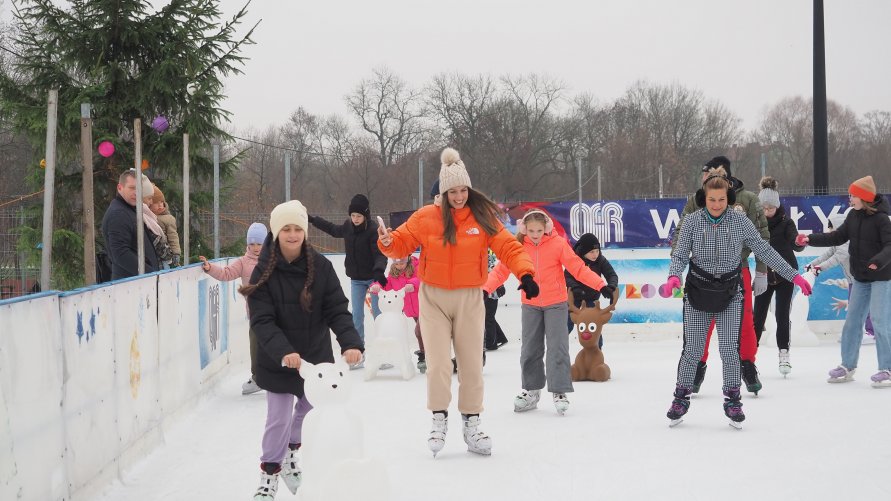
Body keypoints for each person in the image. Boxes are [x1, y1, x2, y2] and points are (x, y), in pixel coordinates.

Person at [377, 147, 537, 457]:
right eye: (454, 191)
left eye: (464, 190)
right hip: (434, 298)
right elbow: (400, 242)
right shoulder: (426, 218)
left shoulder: (482, 217)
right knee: (437, 364)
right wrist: (386, 241)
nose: (460, 196)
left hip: (468, 298)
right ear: (444, 191)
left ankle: (472, 424)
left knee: (471, 365)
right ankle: (439, 419)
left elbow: (509, 247)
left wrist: (525, 274)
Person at [663, 173, 811, 427]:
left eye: (722, 199)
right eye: (712, 199)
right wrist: (674, 278)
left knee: (730, 350)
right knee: (693, 350)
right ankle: (681, 396)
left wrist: (794, 276)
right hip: (698, 291)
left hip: (731, 292)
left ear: (728, 199)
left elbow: (764, 250)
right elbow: (679, 255)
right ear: (704, 198)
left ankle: (732, 400)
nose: (717, 204)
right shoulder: (691, 222)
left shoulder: (739, 221)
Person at [240, 200, 363, 500]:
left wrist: (350, 342)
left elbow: (337, 308)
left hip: (315, 358)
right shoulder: (263, 271)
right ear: (276, 232)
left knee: (308, 412)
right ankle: (269, 473)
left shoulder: (320, 266)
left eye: (298, 229)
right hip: (278, 359)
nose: (293, 235)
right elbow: (262, 319)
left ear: (305, 232)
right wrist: (283, 351)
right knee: (279, 417)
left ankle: (291, 452)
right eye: (286, 229)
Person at [485, 210, 608, 415]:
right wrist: (485, 289)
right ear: (524, 228)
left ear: (546, 228)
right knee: (530, 349)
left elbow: (578, 268)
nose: (535, 234)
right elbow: (500, 271)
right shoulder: (517, 246)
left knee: (557, 347)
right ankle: (531, 390)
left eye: (539, 230)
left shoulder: (557, 244)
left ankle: (559, 391)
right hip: (531, 304)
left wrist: (600, 285)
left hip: (556, 303)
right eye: (531, 230)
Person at [673, 156, 769, 395]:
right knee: (700, 325)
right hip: (703, 275)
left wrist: (762, 271)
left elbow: (762, 237)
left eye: (712, 173)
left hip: (738, 270)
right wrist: (675, 271)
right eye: (705, 174)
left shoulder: (747, 199)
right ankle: (696, 366)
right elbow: (681, 235)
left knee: (744, 322)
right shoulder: (696, 201)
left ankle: (747, 365)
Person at [796, 176, 891, 387]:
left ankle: (887, 368)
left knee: (880, 322)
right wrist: (810, 239)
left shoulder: (882, 220)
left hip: (881, 277)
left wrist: (878, 261)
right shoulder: (853, 216)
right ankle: (847, 365)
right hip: (861, 277)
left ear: (864, 197)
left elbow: (889, 246)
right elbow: (837, 238)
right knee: (852, 323)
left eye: (853, 195)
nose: (850, 199)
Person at [308, 194, 387, 368]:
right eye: (353, 216)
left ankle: (384, 353)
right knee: (356, 316)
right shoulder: (347, 227)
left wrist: (379, 272)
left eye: (359, 216)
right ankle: (359, 353)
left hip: (374, 278)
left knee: (379, 315)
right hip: (357, 280)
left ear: (366, 216)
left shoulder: (373, 230)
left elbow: (380, 254)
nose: (355, 219)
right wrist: (313, 220)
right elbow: (332, 229)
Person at [200, 222, 268, 395]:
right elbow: (226, 273)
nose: (255, 248)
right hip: (255, 313)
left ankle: (281, 377)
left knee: (276, 345)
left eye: (259, 244)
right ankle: (258, 377)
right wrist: (210, 268)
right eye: (251, 244)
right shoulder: (243, 262)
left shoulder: (273, 260)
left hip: (276, 312)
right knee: (256, 345)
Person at [752, 177, 805, 376]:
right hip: (763, 275)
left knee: (783, 316)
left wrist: (799, 242)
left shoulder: (786, 222)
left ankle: (784, 355)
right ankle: (750, 358)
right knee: (758, 318)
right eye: (763, 208)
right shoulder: (755, 224)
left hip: (785, 276)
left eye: (770, 208)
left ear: (777, 206)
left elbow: (795, 243)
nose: (767, 212)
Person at [807, 214, 876, 345]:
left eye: (831, 228)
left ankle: (871, 332)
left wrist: (820, 268)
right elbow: (828, 254)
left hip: (862, 278)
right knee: (854, 307)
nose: (829, 231)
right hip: (853, 280)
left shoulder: (846, 242)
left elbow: (837, 257)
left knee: (864, 306)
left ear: (838, 228)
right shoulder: (837, 242)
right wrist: (812, 264)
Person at [101, 169, 160, 279]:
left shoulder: (130, 209)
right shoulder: (118, 214)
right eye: (132, 188)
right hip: (130, 284)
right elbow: (120, 254)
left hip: (139, 281)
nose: (136, 192)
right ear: (120, 188)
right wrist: (150, 272)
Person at [370, 255, 424, 372]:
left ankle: (425, 356)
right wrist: (376, 286)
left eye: (402, 263)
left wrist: (413, 284)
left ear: (408, 260)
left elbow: (421, 278)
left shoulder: (417, 267)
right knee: (423, 333)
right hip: (412, 310)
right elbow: (385, 283)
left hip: (425, 307)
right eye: (397, 264)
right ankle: (425, 355)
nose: (399, 266)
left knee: (419, 332)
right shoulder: (393, 275)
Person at [564, 233, 618, 349]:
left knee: (592, 325)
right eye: (591, 252)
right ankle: (558, 348)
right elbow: (567, 276)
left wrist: (611, 287)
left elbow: (612, 275)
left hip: (591, 299)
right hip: (574, 298)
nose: (595, 254)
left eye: (597, 251)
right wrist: (575, 288)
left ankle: (596, 351)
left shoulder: (601, 260)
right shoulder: (574, 259)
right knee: (566, 323)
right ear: (583, 251)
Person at [139, 177, 174, 269]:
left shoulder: (151, 217)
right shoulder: (144, 218)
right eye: (149, 198)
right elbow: (158, 243)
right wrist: (169, 254)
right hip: (155, 265)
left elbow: (172, 236)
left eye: (162, 202)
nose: (150, 202)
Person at [148, 185, 182, 267]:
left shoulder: (168, 218)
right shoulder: (148, 217)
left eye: (161, 202)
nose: (160, 205)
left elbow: (173, 236)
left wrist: (176, 252)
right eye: (156, 203)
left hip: (166, 253)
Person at [484, 249, 509, 351]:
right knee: (489, 317)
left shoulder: (489, 267)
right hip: (490, 295)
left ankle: (491, 344)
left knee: (488, 318)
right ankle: (500, 338)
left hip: (491, 295)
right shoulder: (490, 265)